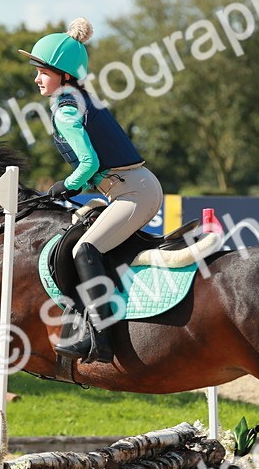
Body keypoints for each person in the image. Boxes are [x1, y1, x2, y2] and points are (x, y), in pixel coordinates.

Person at [19, 18, 164, 364]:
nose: (37, 78)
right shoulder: (77, 99)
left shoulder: (67, 110)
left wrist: (62, 186)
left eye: (43, 72)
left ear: (64, 76)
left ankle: (99, 338)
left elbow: (87, 163)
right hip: (128, 189)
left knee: (85, 249)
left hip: (134, 193)